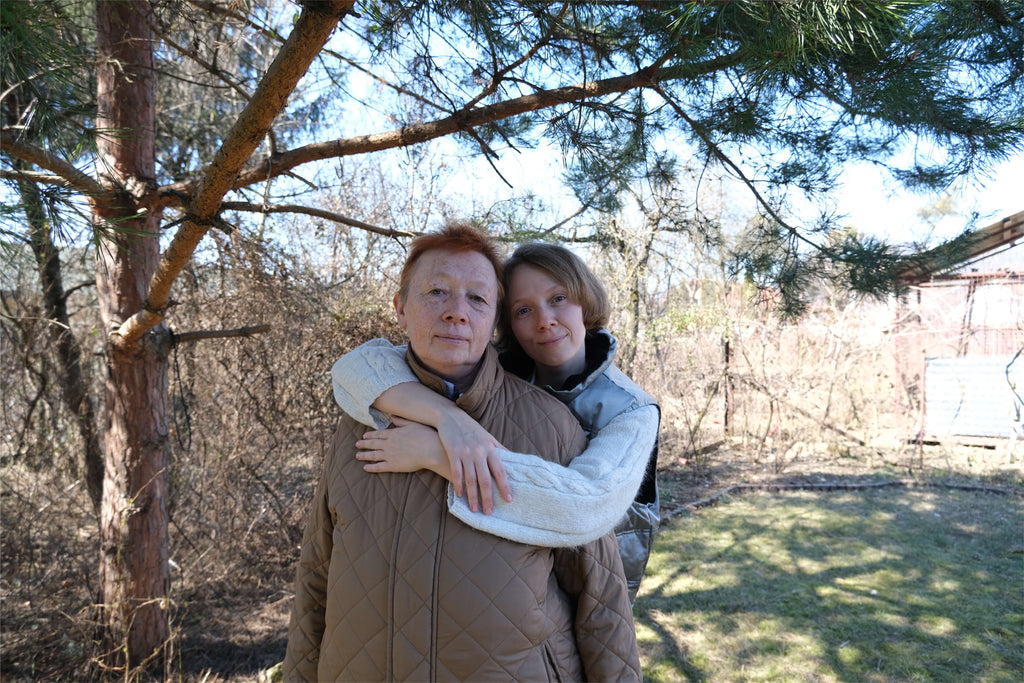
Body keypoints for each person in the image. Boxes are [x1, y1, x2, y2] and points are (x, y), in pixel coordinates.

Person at [282, 224, 640, 682]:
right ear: (400, 309)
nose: (456, 312)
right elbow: (317, 572)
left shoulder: (552, 426)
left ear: (494, 321)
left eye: (477, 298)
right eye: (436, 292)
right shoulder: (360, 417)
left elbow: (601, 600)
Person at [332, 241, 660, 603]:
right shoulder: (489, 374)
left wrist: (435, 453)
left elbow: (584, 508)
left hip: (600, 592)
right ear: (503, 322)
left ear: (585, 301)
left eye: (558, 298)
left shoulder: (632, 410)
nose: (544, 320)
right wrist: (450, 419)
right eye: (523, 310)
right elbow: (356, 368)